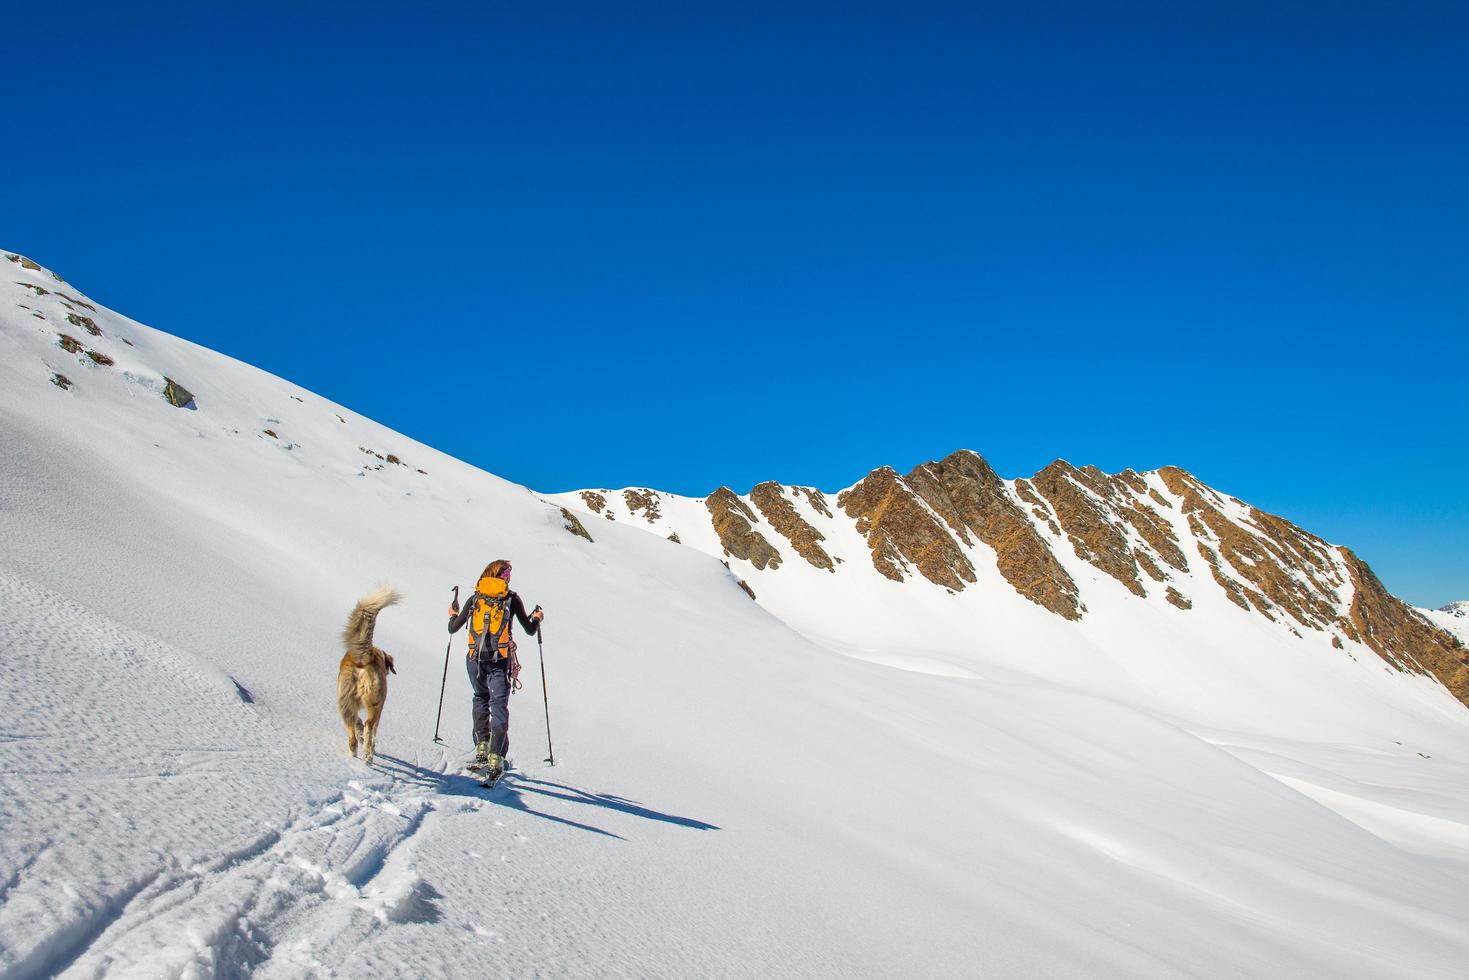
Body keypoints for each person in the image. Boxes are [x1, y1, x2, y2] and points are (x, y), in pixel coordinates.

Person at [447, 559, 544, 778]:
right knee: (498, 704)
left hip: (475, 660)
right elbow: (529, 630)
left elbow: (453, 628)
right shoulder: (510, 599)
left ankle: (481, 744)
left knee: (479, 698)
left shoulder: (476, 598)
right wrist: (536, 619)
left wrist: (452, 614)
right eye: (508, 576)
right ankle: (496, 755)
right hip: (499, 661)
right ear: (503, 577)